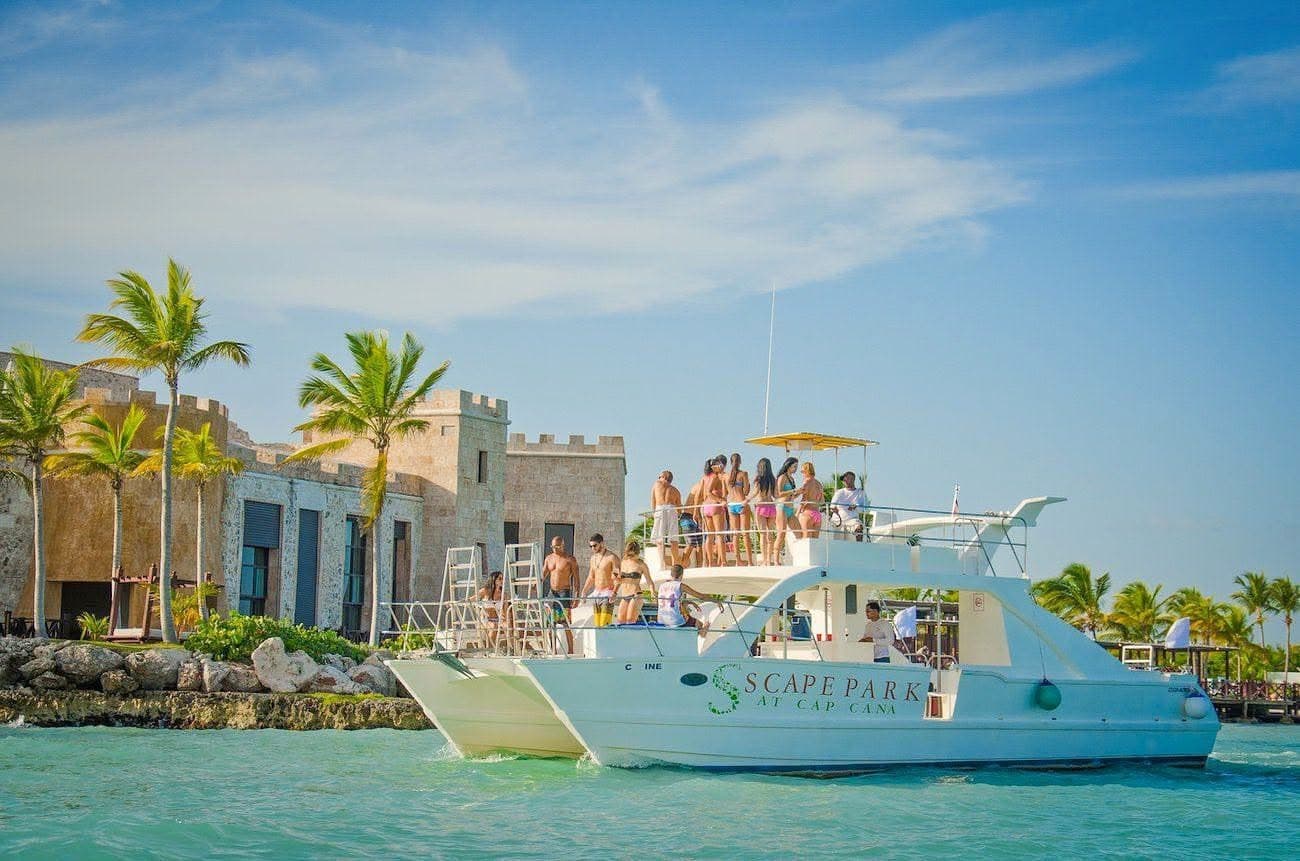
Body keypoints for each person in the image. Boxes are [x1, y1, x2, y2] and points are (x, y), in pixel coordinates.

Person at [542, 535, 580, 654]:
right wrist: (535, 584)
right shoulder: (549, 558)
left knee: (566, 623)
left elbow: (576, 580)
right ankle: (553, 650)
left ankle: (570, 651)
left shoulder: (570, 559)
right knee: (549, 623)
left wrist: (576, 596)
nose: (554, 549)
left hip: (564, 592)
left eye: (557, 547)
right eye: (552, 547)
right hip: (551, 593)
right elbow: (543, 575)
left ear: (562, 545)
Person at [657, 564, 712, 637]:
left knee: (686, 614)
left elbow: (671, 601)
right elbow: (701, 596)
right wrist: (716, 601)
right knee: (700, 624)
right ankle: (701, 633)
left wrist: (691, 602)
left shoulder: (662, 585)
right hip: (676, 621)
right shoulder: (680, 585)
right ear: (681, 575)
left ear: (671, 574)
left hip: (661, 620)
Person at [614, 540, 656, 625]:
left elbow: (649, 581)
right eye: (628, 554)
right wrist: (614, 592)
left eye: (632, 555)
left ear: (637, 553)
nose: (629, 557)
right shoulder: (623, 562)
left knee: (630, 621)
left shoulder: (641, 565)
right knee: (620, 621)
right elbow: (619, 580)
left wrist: (652, 592)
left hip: (636, 594)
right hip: (624, 595)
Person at [582, 533, 619, 627]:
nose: (592, 548)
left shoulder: (612, 557)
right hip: (596, 594)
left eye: (595, 545)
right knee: (597, 625)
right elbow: (591, 577)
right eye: (590, 546)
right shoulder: (593, 558)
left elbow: (618, 577)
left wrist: (614, 593)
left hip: (607, 594)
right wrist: (584, 591)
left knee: (604, 625)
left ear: (601, 543)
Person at [747, 457, 779, 565]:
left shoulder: (758, 479)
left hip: (761, 507)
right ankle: (769, 560)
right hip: (771, 506)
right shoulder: (773, 480)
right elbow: (775, 495)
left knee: (763, 535)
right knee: (770, 535)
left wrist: (746, 500)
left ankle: (765, 560)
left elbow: (755, 492)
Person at [699, 456, 728, 566]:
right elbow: (708, 492)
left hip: (706, 506)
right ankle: (723, 562)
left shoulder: (706, 477)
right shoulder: (716, 477)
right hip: (715, 505)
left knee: (710, 536)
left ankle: (710, 562)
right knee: (719, 535)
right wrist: (720, 500)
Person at [725, 453, 754, 566]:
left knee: (735, 533)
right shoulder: (743, 474)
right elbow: (746, 491)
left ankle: (738, 561)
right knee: (745, 533)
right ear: (740, 461)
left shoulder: (727, 476)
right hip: (741, 503)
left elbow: (725, 492)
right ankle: (750, 561)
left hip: (731, 504)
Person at [649, 470, 681, 567]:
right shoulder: (676, 491)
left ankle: (662, 564)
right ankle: (675, 563)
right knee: (673, 538)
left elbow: (653, 500)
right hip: (672, 509)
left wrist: (654, 513)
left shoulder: (657, 484)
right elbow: (679, 507)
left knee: (660, 538)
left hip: (660, 508)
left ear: (662, 477)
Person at [773, 456, 799, 559]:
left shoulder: (792, 478)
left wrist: (798, 492)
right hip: (782, 507)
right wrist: (792, 491)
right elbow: (778, 493)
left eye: (796, 466)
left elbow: (792, 495)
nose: (795, 468)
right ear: (788, 466)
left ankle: (798, 557)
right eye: (794, 466)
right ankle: (776, 559)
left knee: (799, 532)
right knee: (781, 534)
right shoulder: (782, 477)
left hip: (790, 508)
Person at [830, 471, 868, 541]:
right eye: (843, 480)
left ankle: (859, 547)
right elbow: (832, 506)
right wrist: (834, 509)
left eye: (846, 479)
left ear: (852, 479)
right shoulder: (839, 492)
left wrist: (856, 507)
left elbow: (866, 509)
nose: (844, 481)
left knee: (858, 527)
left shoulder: (860, 493)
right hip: (838, 521)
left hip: (852, 520)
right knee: (837, 541)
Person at [477, 571, 508, 649]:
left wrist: (505, 621)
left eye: (503, 579)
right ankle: (490, 650)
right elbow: (471, 599)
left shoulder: (503, 594)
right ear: (494, 580)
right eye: (500, 579)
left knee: (509, 626)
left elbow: (505, 610)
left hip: (498, 619)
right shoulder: (485, 591)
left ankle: (512, 648)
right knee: (494, 626)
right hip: (485, 619)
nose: (502, 581)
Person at [795, 461, 825, 539]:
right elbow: (822, 501)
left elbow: (804, 499)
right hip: (817, 514)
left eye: (802, 471)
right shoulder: (819, 483)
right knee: (814, 542)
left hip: (808, 513)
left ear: (807, 470)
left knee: (805, 540)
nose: (802, 474)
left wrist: (797, 513)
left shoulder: (807, 481)